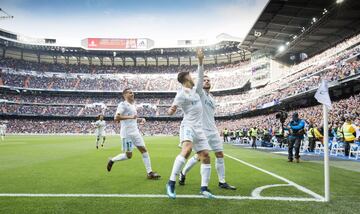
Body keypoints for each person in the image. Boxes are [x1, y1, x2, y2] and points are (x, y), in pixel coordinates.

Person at [178, 58, 236, 190]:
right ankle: (183, 173)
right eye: (204, 80)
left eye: (208, 80)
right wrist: (200, 61)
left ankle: (222, 182)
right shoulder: (200, 93)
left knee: (220, 154)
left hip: (213, 130)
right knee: (199, 156)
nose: (207, 81)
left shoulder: (211, 97)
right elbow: (199, 77)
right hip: (202, 130)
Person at [166, 48, 214, 199]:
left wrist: (200, 60)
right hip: (188, 126)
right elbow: (172, 109)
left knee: (205, 155)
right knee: (187, 150)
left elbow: (200, 74)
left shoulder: (196, 90)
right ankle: (171, 183)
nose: (194, 77)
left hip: (199, 128)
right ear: (186, 79)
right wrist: (171, 110)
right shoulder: (181, 94)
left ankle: (204, 188)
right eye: (190, 76)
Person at [107, 88, 161, 180]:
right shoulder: (122, 104)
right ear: (124, 95)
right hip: (127, 133)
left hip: (135, 132)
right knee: (129, 156)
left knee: (144, 150)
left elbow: (132, 118)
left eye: (133, 93)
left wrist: (140, 119)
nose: (132, 94)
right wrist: (131, 116)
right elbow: (116, 117)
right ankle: (112, 160)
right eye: (130, 93)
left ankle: (150, 173)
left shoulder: (132, 105)